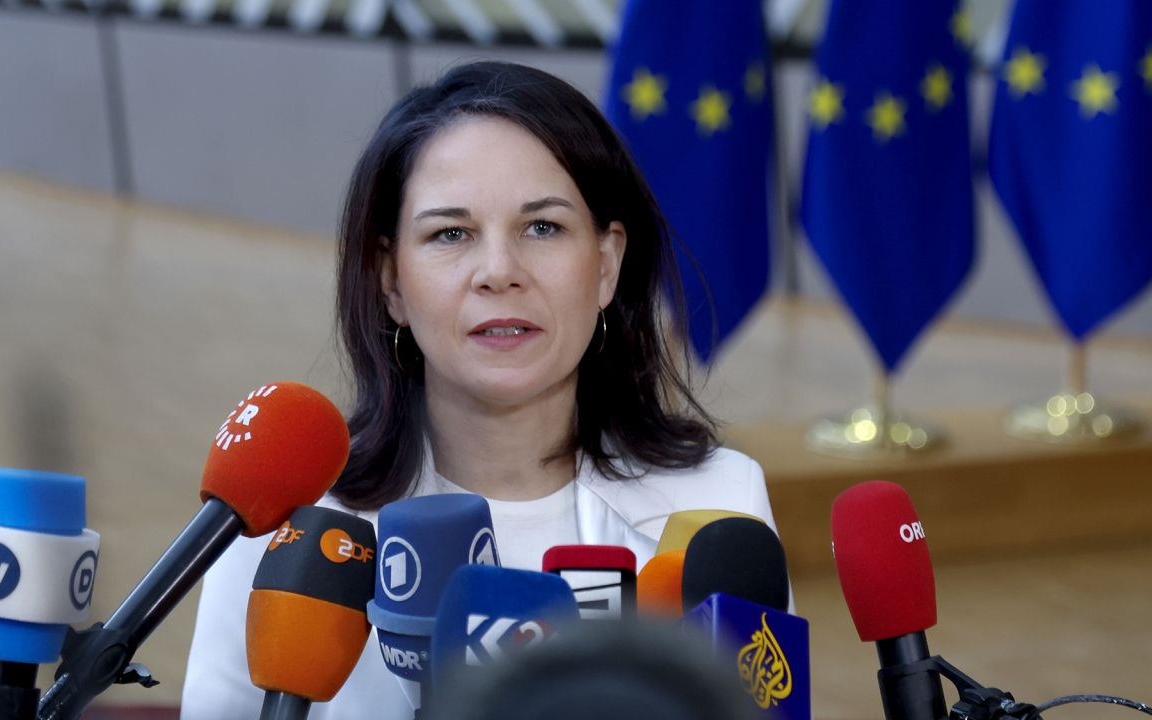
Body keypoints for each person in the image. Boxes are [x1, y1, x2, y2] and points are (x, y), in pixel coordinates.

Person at [181, 60, 781, 720]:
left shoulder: (720, 508)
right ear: (390, 281)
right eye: (451, 234)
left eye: (542, 228)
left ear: (606, 265)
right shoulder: (293, 529)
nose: (499, 271)